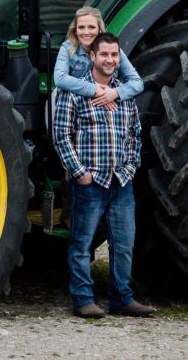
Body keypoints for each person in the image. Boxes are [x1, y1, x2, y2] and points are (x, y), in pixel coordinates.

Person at [52, 32, 155, 319]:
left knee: (123, 245)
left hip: (121, 181)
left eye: (114, 55)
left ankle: (121, 298)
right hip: (90, 182)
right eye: (104, 55)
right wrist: (79, 173)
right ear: (93, 57)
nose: (109, 60)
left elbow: (135, 135)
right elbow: (62, 135)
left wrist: (130, 168)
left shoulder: (124, 93)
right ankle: (83, 299)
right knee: (81, 245)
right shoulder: (76, 91)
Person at [54, 6, 143, 110]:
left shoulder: (112, 50)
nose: (86, 32)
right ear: (75, 31)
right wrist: (95, 90)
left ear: (99, 29)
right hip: (72, 104)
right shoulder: (67, 48)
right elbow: (60, 79)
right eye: (81, 27)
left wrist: (115, 92)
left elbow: (137, 83)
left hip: (105, 105)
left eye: (91, 27)